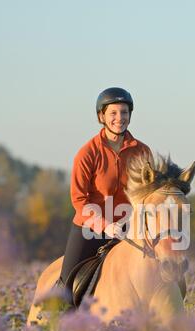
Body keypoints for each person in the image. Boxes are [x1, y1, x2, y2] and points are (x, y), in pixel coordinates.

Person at [56, 87, 152, 303]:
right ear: (102, 116)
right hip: (90, 228)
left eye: (124, 112)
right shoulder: (87, 153)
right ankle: (57, 323)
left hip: (128, 227)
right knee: (67, 286)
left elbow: (147, 194)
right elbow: (79, 200)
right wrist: (106, 226)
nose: (120, 118)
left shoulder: (143, 152)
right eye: (113, 113)